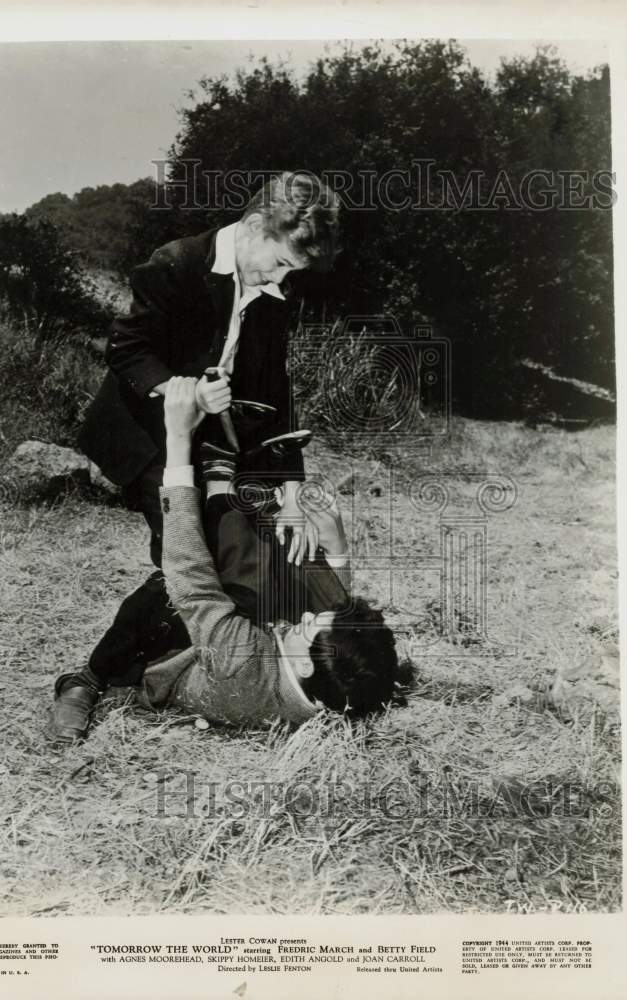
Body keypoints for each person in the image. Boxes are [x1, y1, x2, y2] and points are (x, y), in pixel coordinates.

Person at [53, 171, 340, 725]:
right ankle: (88, 678)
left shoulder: (275, 293)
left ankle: (178, 663)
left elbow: (273, 389)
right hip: (147, 429)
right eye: (278, 263)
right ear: (254, 226)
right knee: (185, 560)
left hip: (219, 439)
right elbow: (127, 348)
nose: (280, 278)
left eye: (291, 272)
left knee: (249, 551)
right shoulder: (178, 263)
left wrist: (291, 492)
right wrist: (178, 387)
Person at [48, 378, 404, 734]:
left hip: (173, 652)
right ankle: (249, 481)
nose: (308, 616)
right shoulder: (341, 689)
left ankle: (86, 680)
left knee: (199, 580)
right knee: (298, 560)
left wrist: (178, 441)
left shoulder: (242, 663)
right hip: (254, 643)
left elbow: (188, 573)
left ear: (306, 666)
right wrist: (336, 546)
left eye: (309, 626)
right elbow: (338, 622)